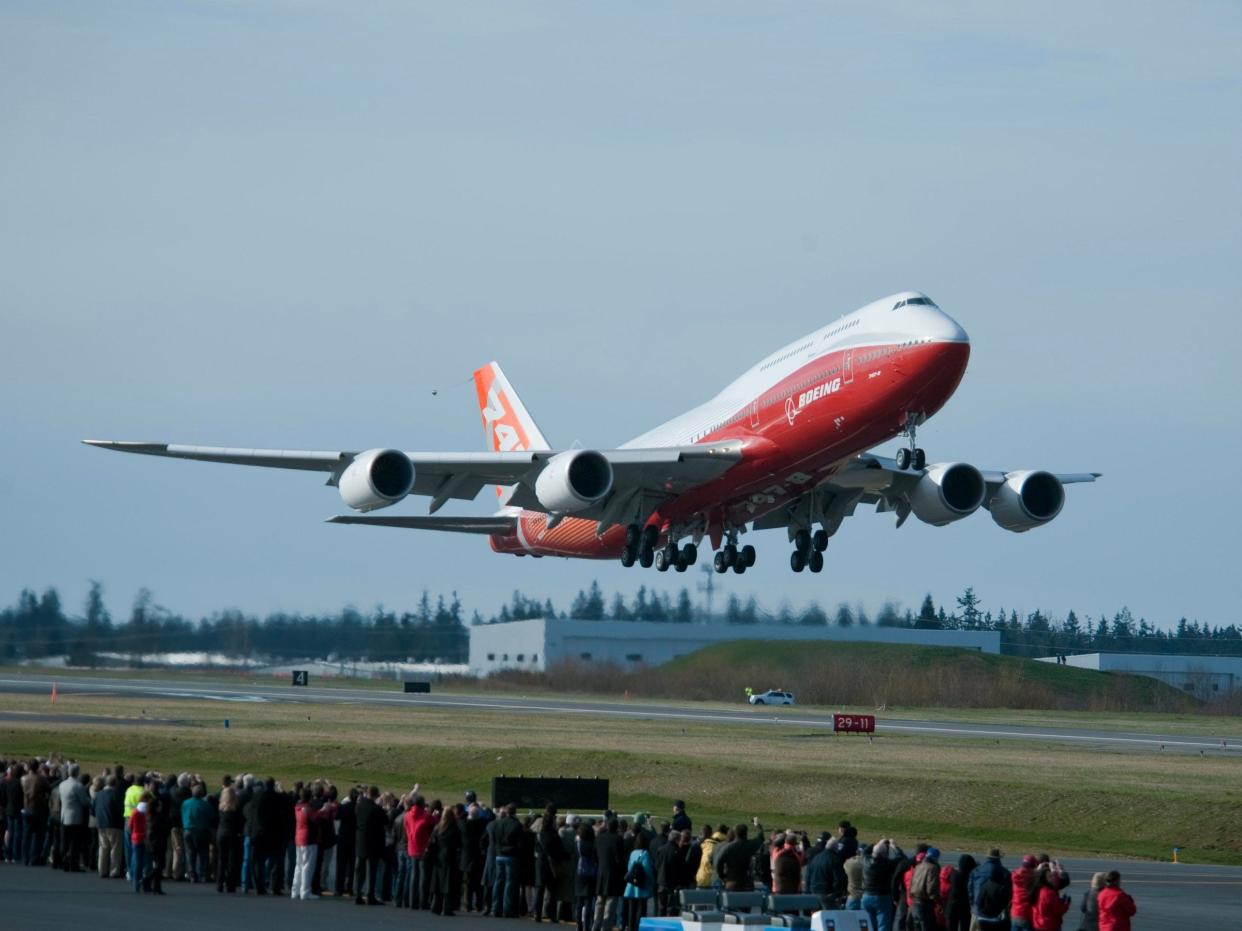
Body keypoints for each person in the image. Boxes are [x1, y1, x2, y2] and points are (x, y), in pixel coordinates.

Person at [535, 805, 569, 922]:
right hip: (551, 864)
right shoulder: (554, 835)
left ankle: (537, 914)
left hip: (540, 862)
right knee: (552, 891)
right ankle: (552, 915)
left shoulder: (539, 833)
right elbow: (559, 851)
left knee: (539, 890)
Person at [593, 817, 626, 931]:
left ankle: (596, 926)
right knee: (610, 906)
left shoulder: (599, 838)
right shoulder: (618, 839)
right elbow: (619, 859)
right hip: (613, 875)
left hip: (601, 873)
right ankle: (605, 928)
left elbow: (595, 856)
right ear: (616, 827)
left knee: (599, 903)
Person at [491, 803, 524, 918]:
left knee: (498, 881)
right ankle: (507, 909)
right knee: (509, 883)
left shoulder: (499, 823)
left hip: (499, 854)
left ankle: (495, 908)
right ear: (514, 812)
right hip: (511, 855)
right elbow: (520, 843)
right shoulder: (516, 825)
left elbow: (494, 838)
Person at [354, 785, 384, 906]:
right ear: (376, 795)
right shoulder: (375, 808)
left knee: (360, 869)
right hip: (373, 842)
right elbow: (385, 820)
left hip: (360, 840)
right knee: (372, 870)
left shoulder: (359, 806)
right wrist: (380, 807)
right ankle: (370, 895)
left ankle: (358, 893)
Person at [429, 805, 462, 915]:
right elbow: (459, 844)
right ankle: (446, 908)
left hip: (439, 858)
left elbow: (432, 843)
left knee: (438, 883)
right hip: (450, 857)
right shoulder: (455, 829)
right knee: (448, 884)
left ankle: (435, 906)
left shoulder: (437, 828)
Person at [622, 829, 655, 931]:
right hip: (642, 886)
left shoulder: (633, 853)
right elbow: (648, 870)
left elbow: (629, 868)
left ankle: (631, 927)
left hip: (632, 885)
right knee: (641, 910)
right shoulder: (645, 854)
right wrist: (651, 881)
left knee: (632, 909)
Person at [1029, 863, 1070, 931]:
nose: (1053, 878)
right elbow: (1059, 910)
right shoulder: (1050, 893)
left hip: (1037, 924)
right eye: (1050, 876)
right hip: (1049, 925)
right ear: (1045, 879)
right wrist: (1066, 903)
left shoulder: (1036, 889)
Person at [574, 821, 598, 931]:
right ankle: (587, 926)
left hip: (580, 872)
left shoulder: (578, 843)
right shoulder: (593, 844)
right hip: (591, 873)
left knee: (579, 902)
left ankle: (579, 925)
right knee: (588, 902)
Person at [910, 846, 941, 931]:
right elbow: (931, 888)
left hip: (914, 902)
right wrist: (938, 901)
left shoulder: (918, 866)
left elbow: (911, 883)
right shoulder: (933, 868)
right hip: (925, 904)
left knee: (917, 927)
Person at [945, 854, 976, 931]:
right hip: (965, 906)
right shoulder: (970, 877)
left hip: (952, 906)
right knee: (965, 926)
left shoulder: (954, 875)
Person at [129, 790, 152, 893]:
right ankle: (145, 883)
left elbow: (130, 825)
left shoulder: (135, 812)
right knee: (147, 861)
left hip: (136, 838)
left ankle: (135, 883)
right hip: (145, 838)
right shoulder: (149, 812)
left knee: (136, 861)